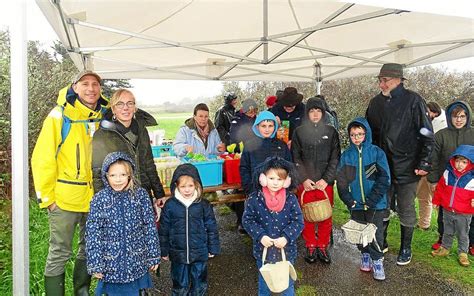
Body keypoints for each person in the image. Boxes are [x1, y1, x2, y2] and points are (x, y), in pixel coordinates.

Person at [31, 70, 109, 294]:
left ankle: (81, 292)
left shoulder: (104, 116)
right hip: (64, 200)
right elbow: (42, 158)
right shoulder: (59, 115)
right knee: (59, 252)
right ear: (74, 87)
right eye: (85, 83)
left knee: (88, 248)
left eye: (95, 84)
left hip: (96, 198)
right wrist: (48, 199)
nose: (91, 88)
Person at [366, 63, 434, 266]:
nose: (381, 84)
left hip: (408, 165)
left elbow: (427, 133)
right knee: (382, 205)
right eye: (380, 80)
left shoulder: (414, 100)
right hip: (382, 166)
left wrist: (425, 161)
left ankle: (406, 247)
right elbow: (369, 133)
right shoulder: (375, 103)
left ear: (399, 80)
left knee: (406, 207)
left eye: (385, 80)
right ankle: (383, 241)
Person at [85, 152, 160, 295]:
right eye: (113, 175)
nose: (118, 180)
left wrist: (153, 255)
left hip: (136, 261)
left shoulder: (140, 196)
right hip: (111, 265)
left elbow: (149, 226)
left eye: (122, 175)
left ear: (130, 175)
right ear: (106, 175)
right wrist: (95, 263)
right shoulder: (99, 200)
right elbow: (93, 233)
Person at [336, 117, 391, 281]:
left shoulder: (376, 153)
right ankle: (365, 255)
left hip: (376, 204)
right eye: (353, 135)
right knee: (360, 232)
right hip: (356, 203)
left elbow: (384, 178)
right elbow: (341, 181)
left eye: (360, 134)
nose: (356, 138)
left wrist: (373, 199)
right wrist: (348, 199)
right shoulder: (346, 156)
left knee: (375, 233)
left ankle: (377, 260)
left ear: (366, 134)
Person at [242, 157, 304, 296]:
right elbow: (247, 220)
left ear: (287, 181)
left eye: (280, 179)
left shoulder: (291, 199)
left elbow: (298, 221)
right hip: (263, 252)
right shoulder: (254, 198)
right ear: (262, 178)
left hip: (286, 252)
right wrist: (260, 236)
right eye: (271, 178)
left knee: (287, 286)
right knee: (264, 285)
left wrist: (287, 237)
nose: (275, 183)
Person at [92, 89, 165, 203]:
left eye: (130, 103)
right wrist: (103, 202)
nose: (125, 108)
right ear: (113, 109)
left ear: (135, 107)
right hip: (118, 199)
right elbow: (97, 173)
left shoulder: (142, 130)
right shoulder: (102, 135)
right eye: (120, 104)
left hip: (143, 196)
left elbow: (149, 164)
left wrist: (159, 193)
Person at [291, 97, 340, 264]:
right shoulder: (299, 132)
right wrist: (303, 179)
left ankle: (323, 246)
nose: (315, 114)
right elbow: (296, 157)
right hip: (306, 184)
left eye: (318, 110)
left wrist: (326, 180)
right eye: (312, 111)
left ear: (323, 112)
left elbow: (335, 158)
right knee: (308, 215)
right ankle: (311, 245)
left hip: (324, 183)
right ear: (307, 113)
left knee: (326, 216)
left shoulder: (331, 132)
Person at [158, 163, 220, 295]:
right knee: (179, 285)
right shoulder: (170, 205)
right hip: (178, 254)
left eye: (190, 186)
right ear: (176, 186)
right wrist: (163, 250)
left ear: (196, 185)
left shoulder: (203, 205)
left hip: (199, 253)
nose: (187, 190)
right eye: (183, 186)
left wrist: (213, 248)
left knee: (199, 284)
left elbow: (211, 227)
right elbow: (164, 229)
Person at [427, 101, 474, 254]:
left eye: (462, 116)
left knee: (470, 214)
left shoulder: (472, 134)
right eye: (455, 117)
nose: (458, 120)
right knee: (444, 213)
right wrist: (433, 180)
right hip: (446, 182)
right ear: (449, 117)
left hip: (469, 184)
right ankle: (443, 239)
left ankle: (471, 243)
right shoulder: (441, 135)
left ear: (467, 117)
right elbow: (433, 158)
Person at [239, 111, 292, 234]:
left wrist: (286, 185)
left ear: (275, 127)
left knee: (278, 223)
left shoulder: (281, 145)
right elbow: (244, 168)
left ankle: (278, 248)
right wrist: (249, 188)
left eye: (270, 126)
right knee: (258, 225)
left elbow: (289, 167)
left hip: (278, 193)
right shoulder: (250, 145)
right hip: (256, 192)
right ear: (257, 127)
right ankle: (260, 250)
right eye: (263, 126)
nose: (267, 129)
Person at [431, 145, 473, 267]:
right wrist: (436, 201)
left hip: (464, 213)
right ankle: (445, 248)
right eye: (458, 161)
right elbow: (440, 189)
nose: (460, 164)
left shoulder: (472, 178)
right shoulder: (447, 174)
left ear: (470, 163)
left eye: (464, 162)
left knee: (463, 234)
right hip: (448, 210)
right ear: (453, 161)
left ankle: (463, 253)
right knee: (447, 231)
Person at [416, 101, 448, 230]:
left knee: (439, 200)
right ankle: (424, 224)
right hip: (423, 165)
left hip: (434, 168)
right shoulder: (424, 122)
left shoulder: (443, 125)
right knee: (423, 197)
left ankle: (445, 230)